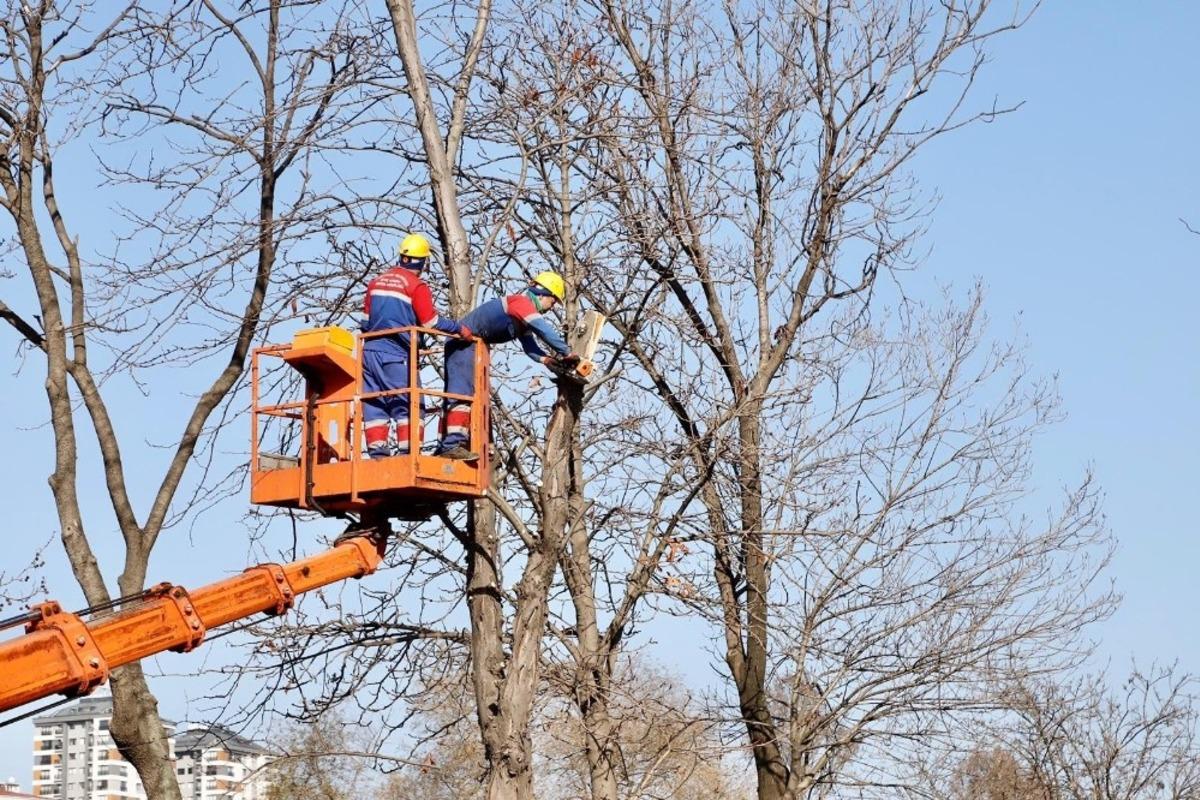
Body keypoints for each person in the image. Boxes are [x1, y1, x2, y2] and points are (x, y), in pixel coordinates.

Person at [436, 271, 580, 460]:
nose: (551, 307)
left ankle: (455, 444)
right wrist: (567, 352)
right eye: (553, 302)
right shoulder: (522, 304)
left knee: (474, 396)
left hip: (473, 346)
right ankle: (451, 445)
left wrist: (546, 360)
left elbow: (529, 345)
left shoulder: (523, 315)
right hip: (464, 344)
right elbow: (544, 330)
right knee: (462, 394)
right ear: (544, 293)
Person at [362, 233, 471, 458]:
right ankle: (408, 455)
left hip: (369, 352)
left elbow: (365, 322)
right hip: (396, 354)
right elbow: (431, 322)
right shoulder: (416, 286)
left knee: (374, 404)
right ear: (423, 262)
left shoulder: (375, 282)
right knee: (409, 404)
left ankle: (378, 457)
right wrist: (458, 328)